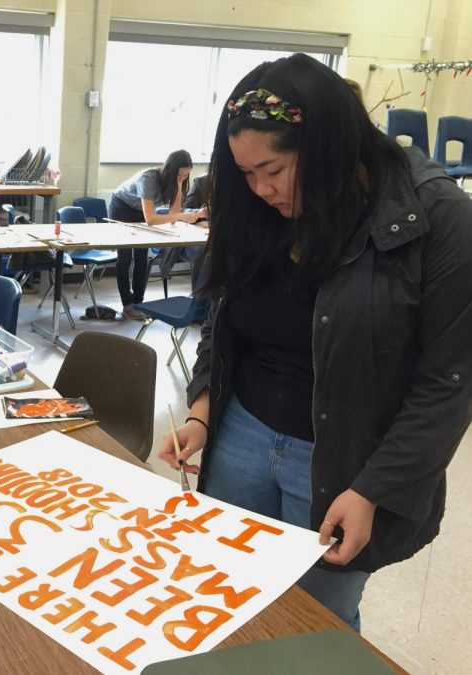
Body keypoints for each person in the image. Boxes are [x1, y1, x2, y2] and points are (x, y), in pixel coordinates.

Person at [159, 54, 471, 630]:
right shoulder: (258, 211)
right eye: (246, 174)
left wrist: (374, 489)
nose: (260, 190)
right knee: (229, 605)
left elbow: (449, 384)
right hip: (242, 436)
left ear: (326, 145)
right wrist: (203, 410)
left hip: (345, 460)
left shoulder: (437, 215)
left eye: (273, 170)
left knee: (318, 626)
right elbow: (224, 320)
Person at [109, 150, 205, 319]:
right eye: (179, 174)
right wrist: (182, 215)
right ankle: (127, 304)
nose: (182, 177)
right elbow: (151, 219)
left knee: (141, 255)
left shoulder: (177, 181)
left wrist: (180, 184)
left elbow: (173, 215)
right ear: (170, 169)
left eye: (185, 175)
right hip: (122, 207)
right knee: (124, 256)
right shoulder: (149, 178)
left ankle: (138, 302)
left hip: (140, 210)